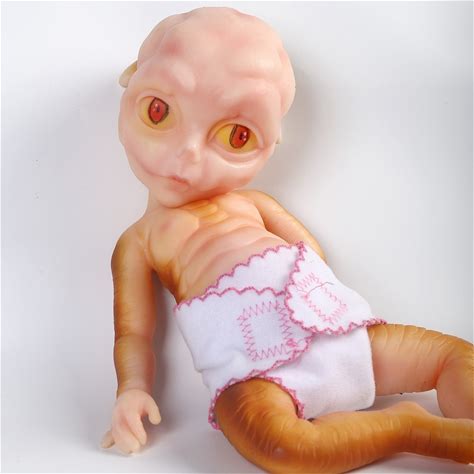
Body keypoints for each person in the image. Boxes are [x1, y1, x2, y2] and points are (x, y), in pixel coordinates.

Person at [102, 7, 473, 472]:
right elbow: (134, 331)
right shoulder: (139, 241)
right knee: (277, 445)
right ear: (131, 83)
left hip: (331, 323)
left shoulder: (252, 203)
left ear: (271, 143)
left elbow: (310, 253)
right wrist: (132, 388)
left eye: (237, 136)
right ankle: (409, 429)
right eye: (158, 111)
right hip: (251, 364)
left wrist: (322, 306)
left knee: (454, 357)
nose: (187, 157)